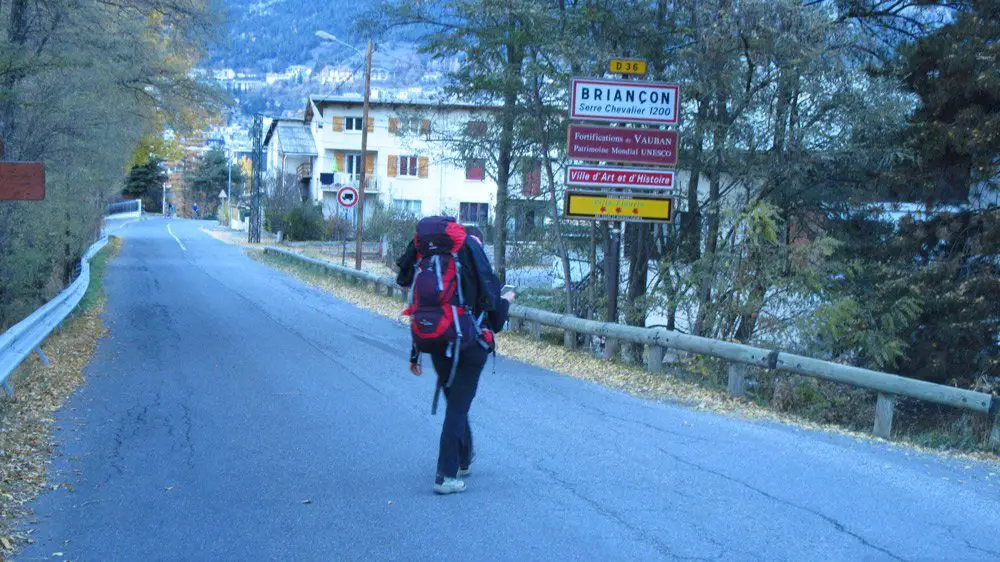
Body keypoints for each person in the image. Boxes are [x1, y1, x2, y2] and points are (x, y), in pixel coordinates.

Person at [396, 221, 514, 495]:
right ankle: (445, 475)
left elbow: (418, 302)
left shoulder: (430, 257)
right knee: (458, 407)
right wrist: (507, 299)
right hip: (470, 345)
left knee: (456, 403)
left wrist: (415, 353)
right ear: (476, 242)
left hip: (435, 340)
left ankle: (463, 459)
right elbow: (495, 320)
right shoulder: (477, 262)